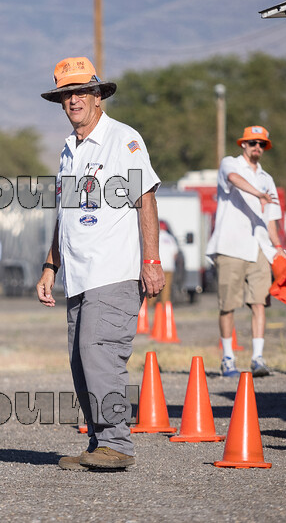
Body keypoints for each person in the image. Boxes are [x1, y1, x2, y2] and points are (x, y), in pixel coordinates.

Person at [35, 57, 164, 471]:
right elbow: (65, 215)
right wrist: (50, 266)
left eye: (79, 92)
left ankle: (117, 444)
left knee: (98, 351)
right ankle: (99, 443)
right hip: (78, 275)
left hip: (115, 271)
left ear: (96, 96)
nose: (72, 100)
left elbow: (145, 198)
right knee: (79, 359)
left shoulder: (123, 139)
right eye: (65, 94)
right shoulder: (68, 150)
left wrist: (151, 260)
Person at [205, 126, 285, 378]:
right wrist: (258, 194)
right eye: (252, 143)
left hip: (259, 246)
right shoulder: (230, 164)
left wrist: (279, 247)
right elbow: (234, 180)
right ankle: (228, 357)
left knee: (259, 302)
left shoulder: (267, 178)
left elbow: (271, 218)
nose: (257, 148)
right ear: (243, 145)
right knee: (228, 305)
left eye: (261, 144)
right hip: (230, 246)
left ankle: (257, 358)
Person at [149, 220, 179, 305]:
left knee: (154, 287)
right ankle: (165, 306)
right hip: (169, 267)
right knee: (166, 288)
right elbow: (175, 254)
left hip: (157, 266)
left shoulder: (154, 236)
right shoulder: (170, 238)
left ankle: (149, 305)